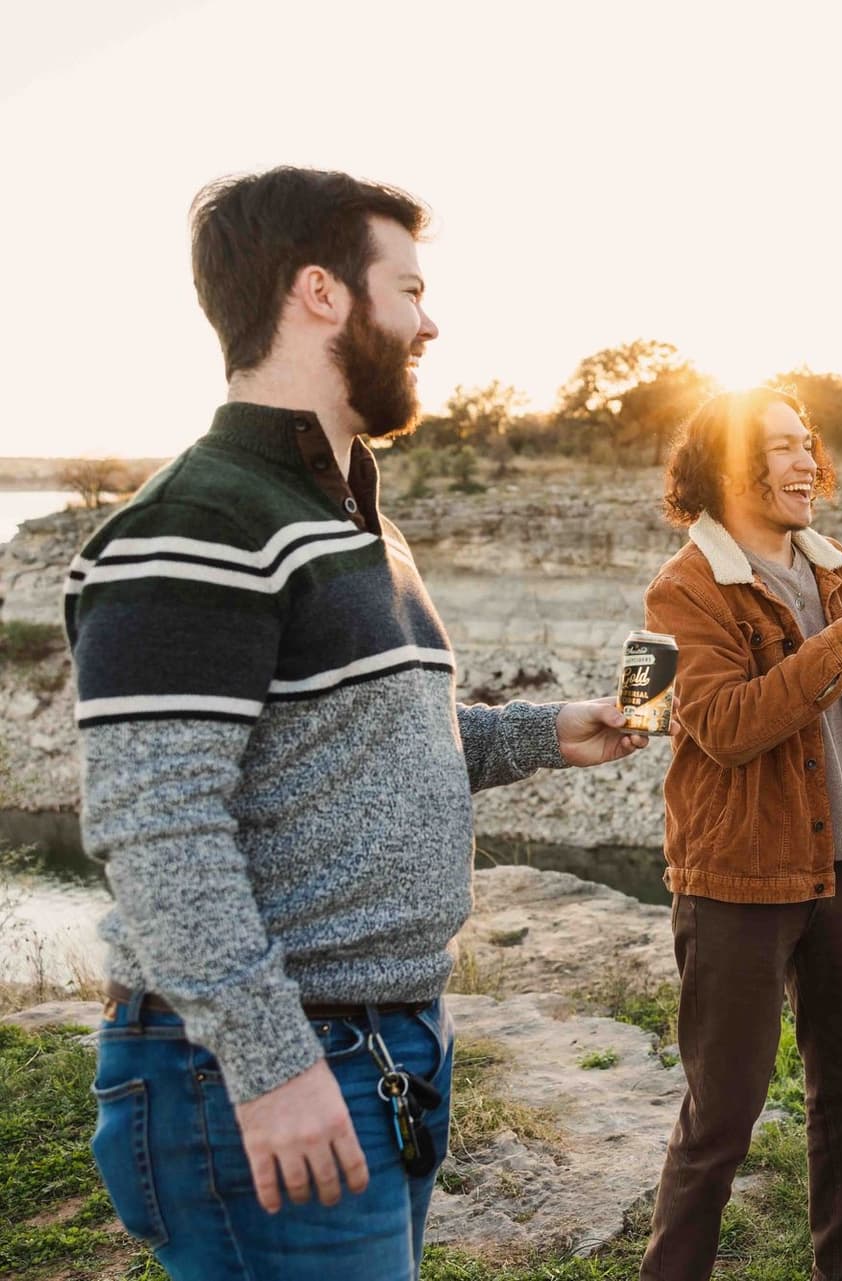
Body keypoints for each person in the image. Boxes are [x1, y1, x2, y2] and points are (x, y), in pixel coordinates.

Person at [69, 166, 648, 1281]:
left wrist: (541, 733)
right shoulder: (198, 520)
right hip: (269, 1060)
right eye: (412, 290)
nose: (433, 323)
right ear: (322, 294)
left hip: (381, 1040)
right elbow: (156, 827)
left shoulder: (343, 512)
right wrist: (272, 1064)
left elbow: (356, 756)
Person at [638, 388, 842, 1281]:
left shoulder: (834, 567)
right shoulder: (686, 586)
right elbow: (725, 725)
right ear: (727, 468)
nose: (808, 462)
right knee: (722, 1113)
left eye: (809, 444)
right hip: (736, 878)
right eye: (782, 448)